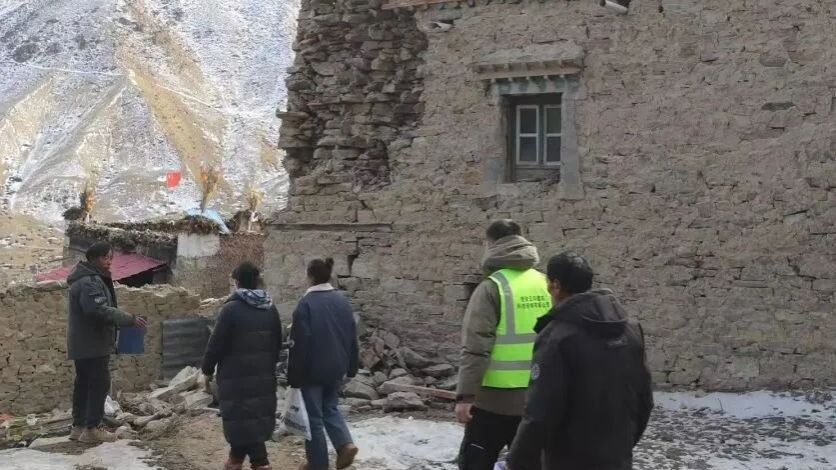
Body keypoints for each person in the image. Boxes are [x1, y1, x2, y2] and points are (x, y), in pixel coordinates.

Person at [504, 252, 653, 470]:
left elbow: (539, 413)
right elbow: (644, 399)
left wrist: (516, 462)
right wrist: (623, 445)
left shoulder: (557, 337)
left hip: (569, 459)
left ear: (555, 286)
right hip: (616, 458)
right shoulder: (630, 330)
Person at [455, 220, 551, 470]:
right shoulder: (547, 284)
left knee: (476, 463)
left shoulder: (491, 287)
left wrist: (465, 396)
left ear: (491, 244)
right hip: (537, 398)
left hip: (492, 402)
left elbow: (476, 346)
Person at [202, 262, 283, 470]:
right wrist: (267, 366)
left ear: (237, 282)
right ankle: (235, 462)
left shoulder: (231, 310)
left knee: (243, 424)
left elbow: (215, 344)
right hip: (263, 378)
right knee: (250, 424)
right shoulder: (270, 308)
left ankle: (258, 463)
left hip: (235, 379)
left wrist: (207, 370)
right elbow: (277, 343)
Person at [67, 242, 147, 444]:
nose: (109, 261)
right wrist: (129, 319)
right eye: (105, 257)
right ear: (94, 259)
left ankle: (79, 426)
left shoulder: (86, 279)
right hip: (93, 342)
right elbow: (98, 310)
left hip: (85, 342)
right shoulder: (89, 282)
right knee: (99, 382)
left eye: (111, 257)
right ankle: (92, 429)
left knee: (84, 383)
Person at [287, 258, 359, 470]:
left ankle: (317, 464)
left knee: (313, 418)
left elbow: (299, 344)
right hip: (337, 367)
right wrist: (352, 367)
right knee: (330, 407)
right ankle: (345, 444)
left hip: (312, 370)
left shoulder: (306, 304)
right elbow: (352, 337)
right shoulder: (342, 301)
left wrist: (294, 377)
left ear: (309, 276)